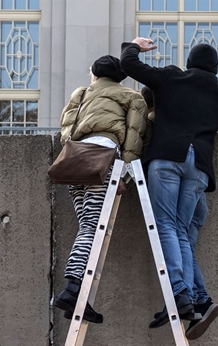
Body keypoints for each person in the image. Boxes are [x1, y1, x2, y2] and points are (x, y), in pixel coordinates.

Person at [120, 38, 218, 334]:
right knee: (180, 230)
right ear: (215, 69)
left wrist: (133, 46)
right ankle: (196, 298)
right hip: (200, 167)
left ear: (189, 63)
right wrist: (216, 127)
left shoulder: (172, 77)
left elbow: (127, 65)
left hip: (168, 158)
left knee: (166, 226)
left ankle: (180, 291)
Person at [53, 55, 147, 323]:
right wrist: (124, 176)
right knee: (92, 228)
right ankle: (71, 288)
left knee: (86, 224)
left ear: (94, 72)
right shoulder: (132, 96)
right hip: (103, 157)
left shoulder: (81, 93)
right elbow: (133, 139)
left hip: (76, 160)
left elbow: (65, 131)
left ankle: (77, 301)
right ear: (121, 77)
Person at [141, 85, 218, 340]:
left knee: (170, 230)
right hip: (199, 193)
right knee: (184, 240)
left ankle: (180, 293)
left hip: (175, 176)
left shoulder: (158, 120)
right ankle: (200, 301)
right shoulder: (192, 116)